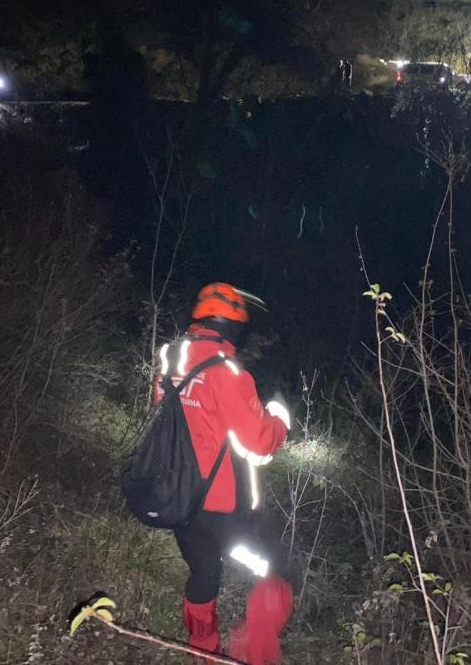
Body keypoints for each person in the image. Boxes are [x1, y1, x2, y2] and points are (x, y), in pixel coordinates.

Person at [154, 282, 293, 663]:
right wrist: (280, 418)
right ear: (232, 327)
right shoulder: (227, 373)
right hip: (224, 510)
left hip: (179, 499)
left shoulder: (171, 360)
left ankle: (205, 653)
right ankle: (256, 654)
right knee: (275, 570)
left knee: (203, 573)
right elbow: (259, 443)